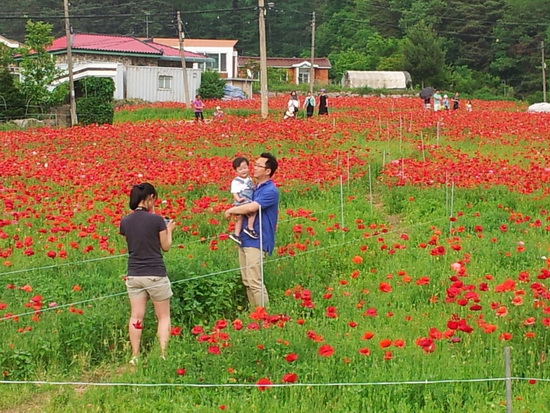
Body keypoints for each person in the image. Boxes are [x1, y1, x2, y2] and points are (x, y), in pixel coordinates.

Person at [119, 183, 176, 365]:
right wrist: (169, 230)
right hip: (155, 274)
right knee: (163, 316)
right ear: (150, 197)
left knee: (136, 316)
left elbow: (132, 243)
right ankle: (163, 354)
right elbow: (165, 247)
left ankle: (135, 356)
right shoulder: (157, 220)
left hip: (134, 274)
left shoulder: (125, 221)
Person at [224, 153, 279, 308]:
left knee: (255, 281)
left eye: (258, 166)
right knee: (247, 280)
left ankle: (265, 315)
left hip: (258, 239)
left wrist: (231, 211)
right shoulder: (254, 188)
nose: (253, 168)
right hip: (245, 239)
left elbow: (251, 207)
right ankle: (255, 313)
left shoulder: (270, 191)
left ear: (268, 171)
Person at [229, 157, 258, 245]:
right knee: (253, 211)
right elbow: (234, 192)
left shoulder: (249, 179)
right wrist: (238, 199)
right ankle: (249, 227)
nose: (243, 170)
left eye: (245, 168)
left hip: (248, 199)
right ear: (236, 171)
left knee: (240, 217)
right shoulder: (236, 181)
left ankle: (237, 234)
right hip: (242, 200)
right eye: (240, 169)